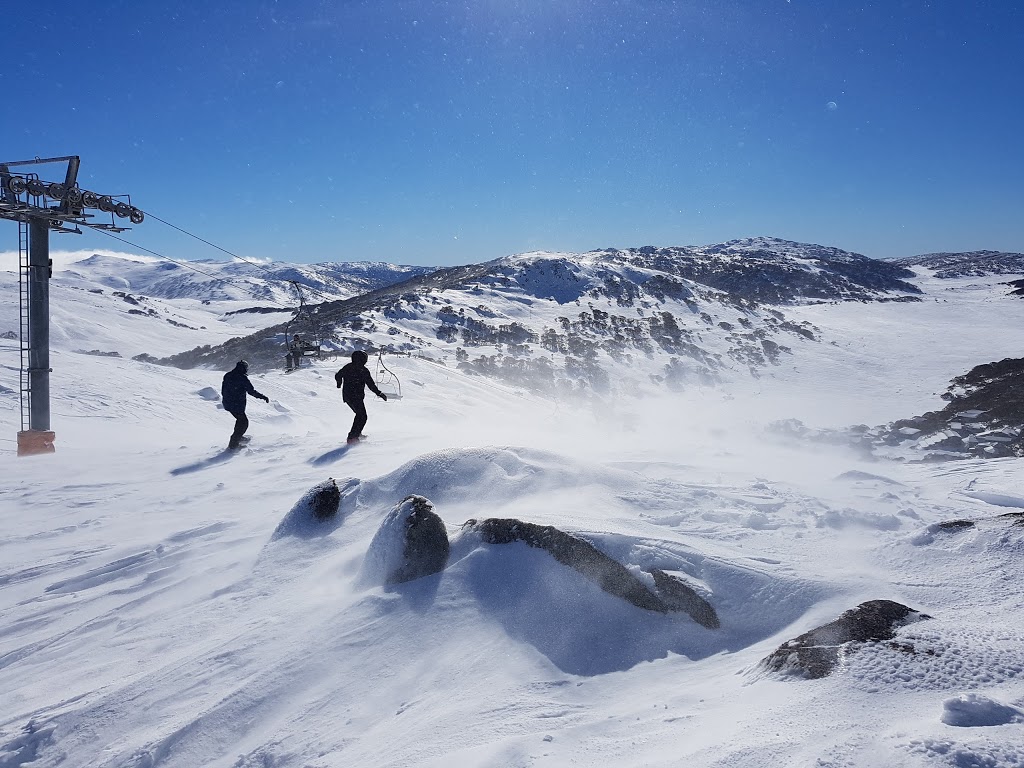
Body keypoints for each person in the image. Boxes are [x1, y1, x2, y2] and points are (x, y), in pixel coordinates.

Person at [335, 350, 387, 443]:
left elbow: (338, 375)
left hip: (347, 396)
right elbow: (371, 385)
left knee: (359, 415)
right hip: (355, 396)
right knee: (362, 416)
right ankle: (352, 437)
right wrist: (379, 393)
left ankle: (357, 433)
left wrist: (339, 384)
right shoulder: (363, 370)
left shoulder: (348, 367)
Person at [221, 360, 270, 450]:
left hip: (228, 403)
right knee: (244, 423)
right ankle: (233, 445)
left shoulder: (228, 375)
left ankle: (238, 438)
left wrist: (227, 399)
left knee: (240, 420)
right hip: (236, 404)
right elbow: (251, 391)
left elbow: (223, 389)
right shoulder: (242, 378)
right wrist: (263, 397)